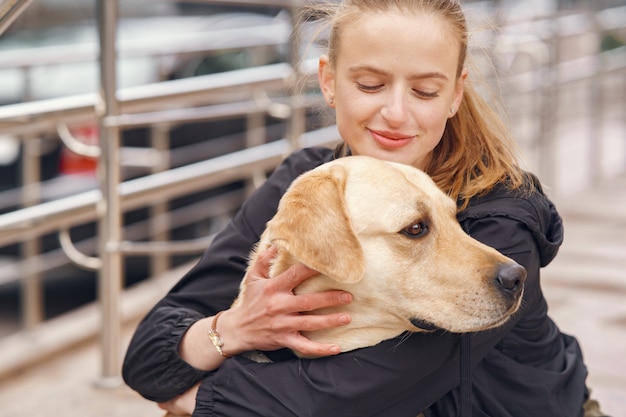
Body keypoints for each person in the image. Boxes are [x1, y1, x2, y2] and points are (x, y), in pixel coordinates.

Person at [122, 1, 607, 416]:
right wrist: (233, 328)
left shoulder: (502, 216)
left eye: (424, 91)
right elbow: (147, 358)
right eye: (371, 84)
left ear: (456, 94)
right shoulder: (310, 184)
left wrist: (195, 399)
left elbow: (352, 395)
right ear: (329, 82)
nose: (396, 113)